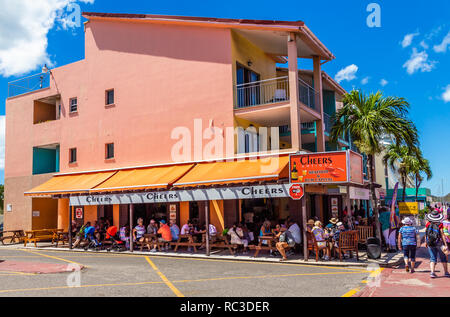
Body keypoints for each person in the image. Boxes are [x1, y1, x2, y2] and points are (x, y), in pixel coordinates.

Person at [424, 210, 449, 278]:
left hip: (430, 243)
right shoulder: (440, 224)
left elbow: (426, 233)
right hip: (439, 243)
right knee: (443, 258)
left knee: (432, 258)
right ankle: (446, 272)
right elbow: (442, 234)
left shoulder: (428, 224)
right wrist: (445, 244)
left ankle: (432, 272)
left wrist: (426, 242)